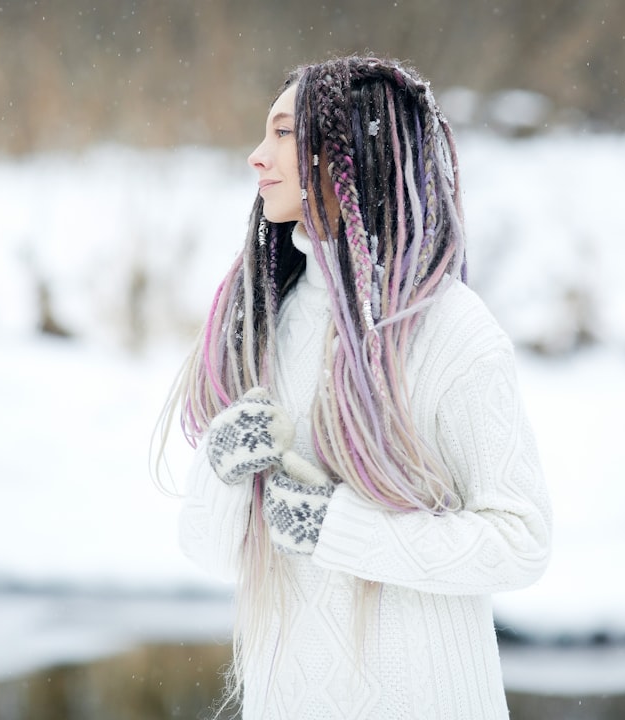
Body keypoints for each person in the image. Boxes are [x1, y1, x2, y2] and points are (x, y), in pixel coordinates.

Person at [163, 55, 552, 719]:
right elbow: (209, 552)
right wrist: (223, 463)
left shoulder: (449, 330)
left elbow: (521, 543)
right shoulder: (267, 319)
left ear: (351, 148)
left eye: (283, 133)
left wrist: (336, 528)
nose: (257, 157)